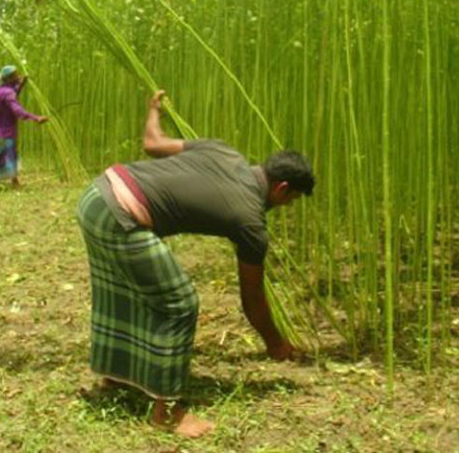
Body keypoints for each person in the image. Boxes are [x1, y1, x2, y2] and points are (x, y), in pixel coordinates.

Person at [75, 90, 314, 438]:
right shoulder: (251, 222)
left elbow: (152, 142)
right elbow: (252, 299)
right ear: (282, 188)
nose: (288, 206)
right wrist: (275, 344)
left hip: (97, 195)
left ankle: (117, 376)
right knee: (180, 303)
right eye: (291, 200)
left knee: (128, 290)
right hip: (119, 214)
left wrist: (153, 110)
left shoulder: (223, 150)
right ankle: (167, 412)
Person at [0, 65, 48, 187]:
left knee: (0, 154)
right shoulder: (8, 93)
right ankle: (10, 181)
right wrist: (36, 118)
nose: (19, 76)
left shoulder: (1, 89)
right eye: (16, 75)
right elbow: (17, 110)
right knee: (8, 154)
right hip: (4, 130)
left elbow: (13, 93)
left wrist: (22, 84)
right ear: (10, 78)